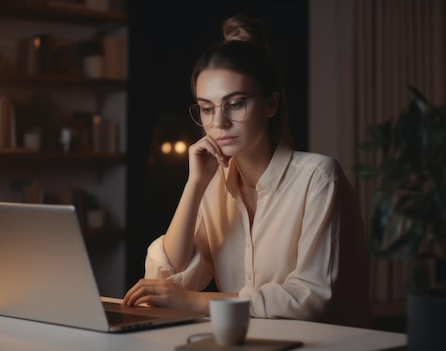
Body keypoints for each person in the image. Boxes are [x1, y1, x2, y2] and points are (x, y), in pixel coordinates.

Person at [123, 15, 371, 328]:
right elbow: (164, 278)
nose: (219, 122)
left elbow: (311, 298)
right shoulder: (214, 186)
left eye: (235, 103)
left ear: (271, 104)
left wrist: (193, 302)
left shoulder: (318, 178)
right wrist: (195, 184)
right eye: (207, 108)